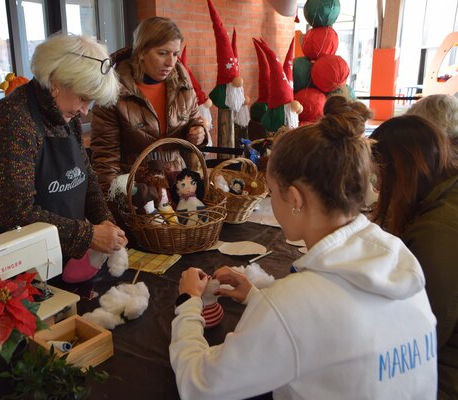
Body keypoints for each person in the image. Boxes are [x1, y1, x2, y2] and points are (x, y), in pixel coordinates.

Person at [170, 110, 437, 399]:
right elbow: (331, 332)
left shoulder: (292, 304)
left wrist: (188, 303)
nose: (270, 201)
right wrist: (257, 298)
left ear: (295, 198)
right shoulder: (399, 257)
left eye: (272, 192)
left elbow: (198, 385)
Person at [0, 33, 127, 282]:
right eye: (84, 98)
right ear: (57, 81)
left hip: (58, 257)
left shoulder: (65, 116)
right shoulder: (12, 121)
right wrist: (89, 235)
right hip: (12, 269)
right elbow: (17, 215)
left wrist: (106, 223)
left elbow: (86, 178)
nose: (85, 111)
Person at [370, 114, 458, 400]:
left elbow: (420, 335)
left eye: (380, 177)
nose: (376, 188)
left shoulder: (437, 232)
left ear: (401, 171)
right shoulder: (446, 194)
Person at [90, 16, 208, 201]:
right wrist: (114, 201)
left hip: (178, 185)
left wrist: (199, 131)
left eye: (175, 54)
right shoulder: (113, 91)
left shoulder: (182, 84)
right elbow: (105, 157)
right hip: (136, 190)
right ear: (142, 52)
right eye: (163, 53)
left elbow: (194, 118)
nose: (171, 62)